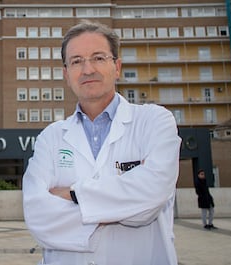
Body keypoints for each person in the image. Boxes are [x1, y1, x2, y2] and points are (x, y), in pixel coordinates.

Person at [22, 20, 181, 265]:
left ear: (117, 66)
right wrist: (122, 205)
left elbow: (152, 194)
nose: (87, 70)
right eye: (76, 61)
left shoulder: (155, 121)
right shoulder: (50, 137)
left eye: (98, 58)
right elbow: (38, 215)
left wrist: (73, 195)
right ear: (66, 74)